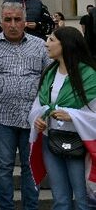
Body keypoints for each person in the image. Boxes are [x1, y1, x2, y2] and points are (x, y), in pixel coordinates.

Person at [0, 1, 51, 210]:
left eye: (17, 19)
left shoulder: (40, 45)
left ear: (25, 21)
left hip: (33, 118)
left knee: (31, 166)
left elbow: (49, 80)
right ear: (0, 21)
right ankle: (5, 207)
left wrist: (46, 111)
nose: (13, 24)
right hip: (1, 118)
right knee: (3, 166)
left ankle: (30, 207)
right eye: (7, 19)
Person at [29, 27, 96, 210]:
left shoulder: (89, 76)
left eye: (51, 40)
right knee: (60, 199)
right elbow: (40, 104)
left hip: (79, 145)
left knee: (83, 200)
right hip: (51, 141)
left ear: (65, 44)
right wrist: (38, 119)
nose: (46, 43)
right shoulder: (49, 72)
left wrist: (72, 115)